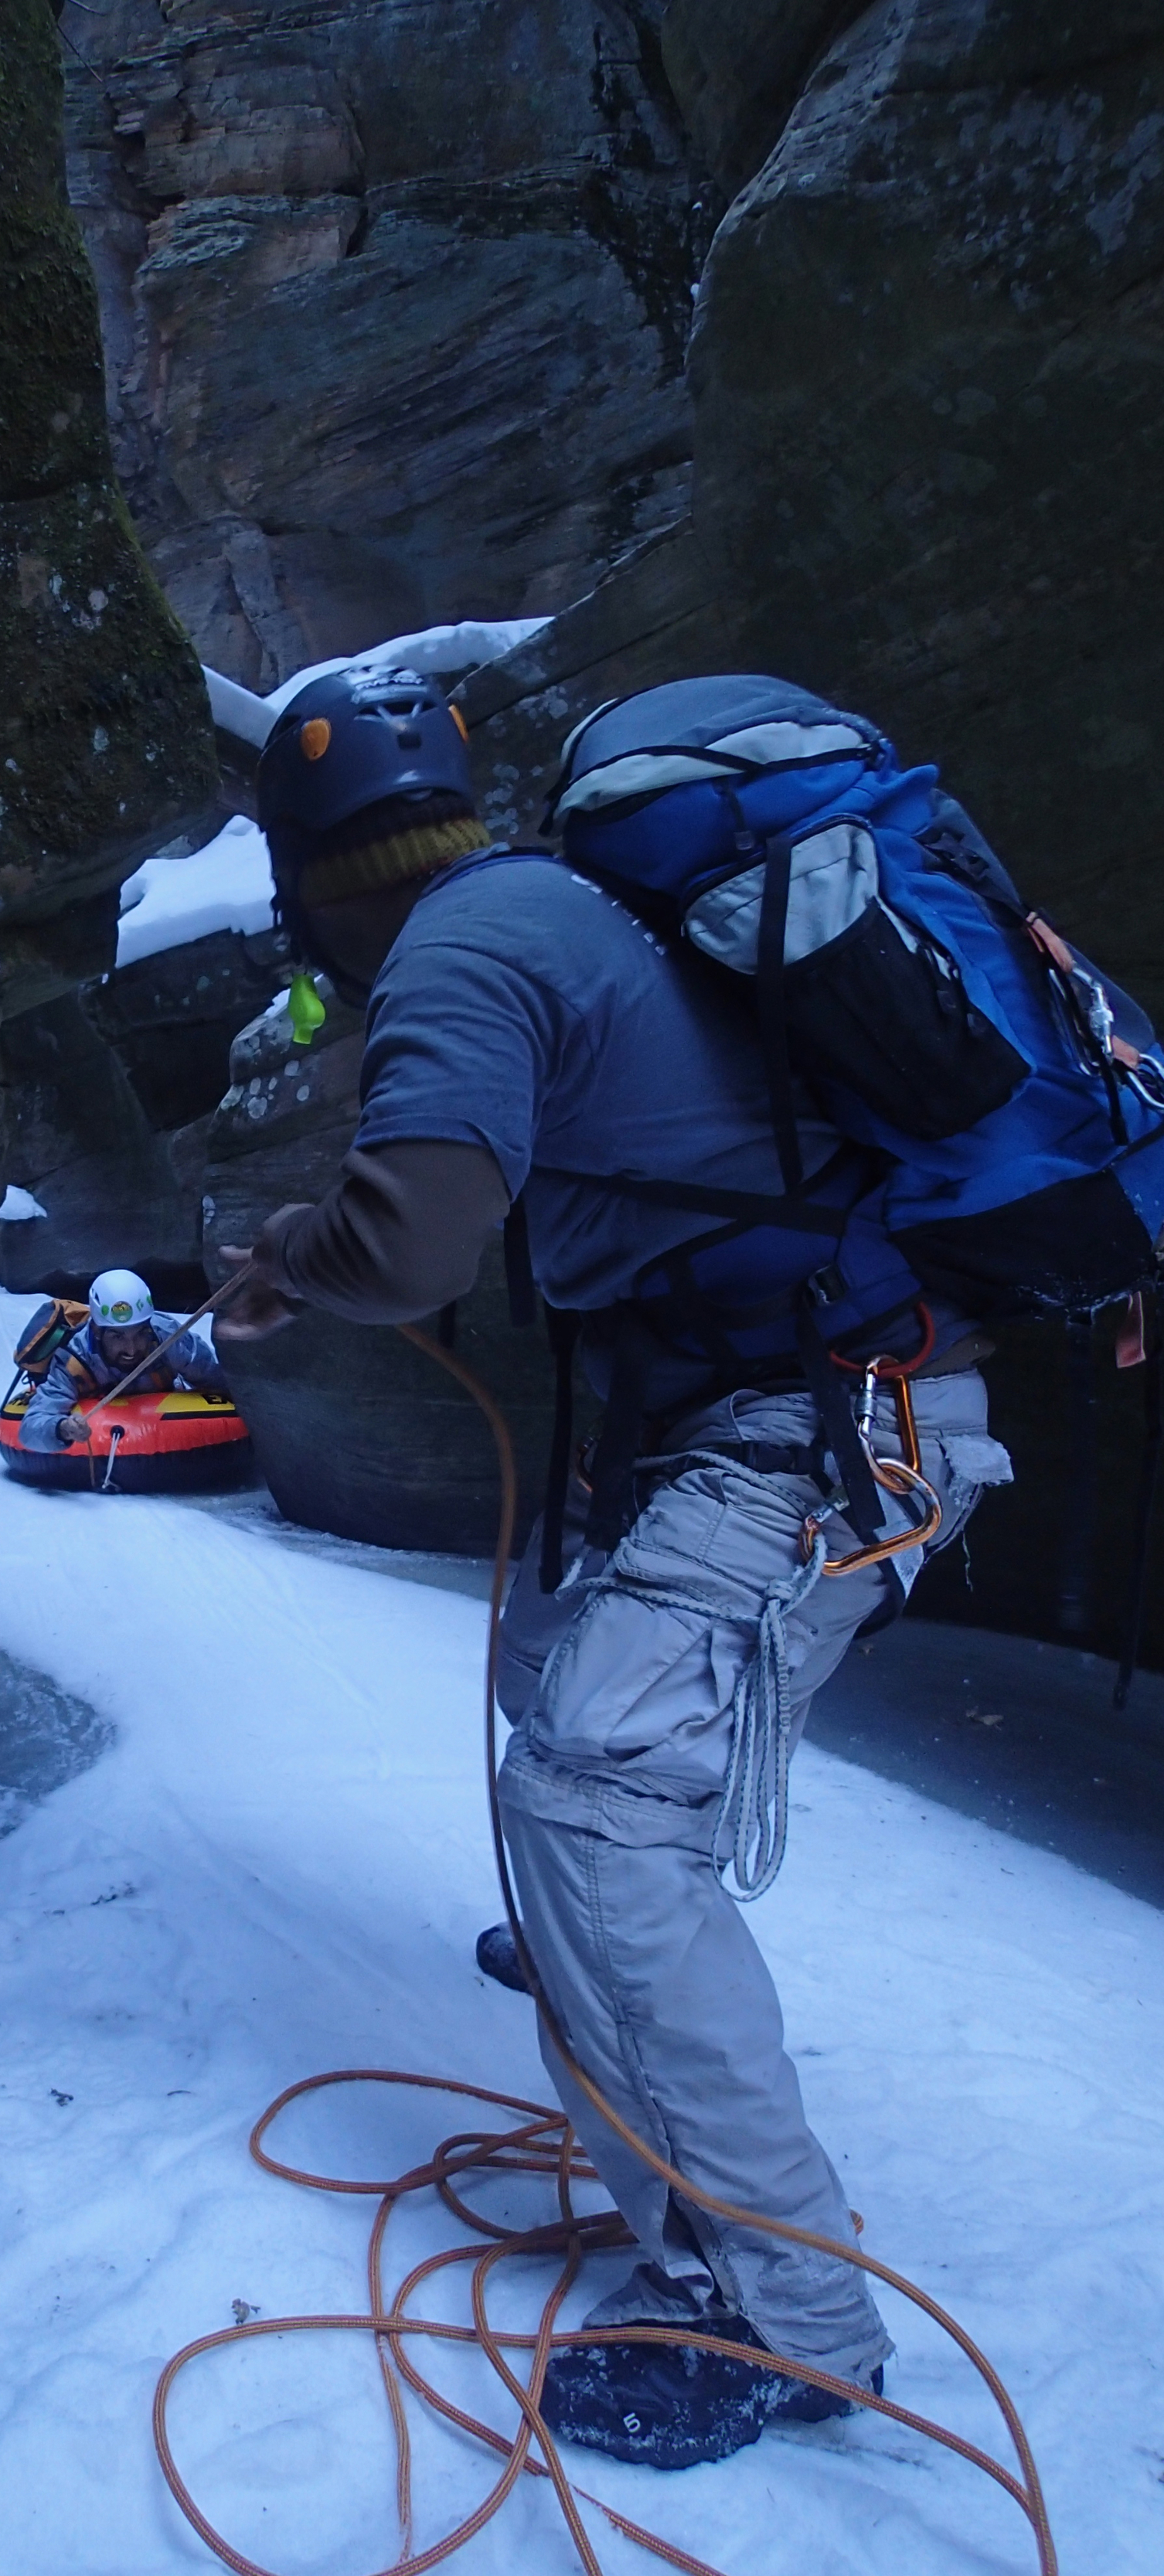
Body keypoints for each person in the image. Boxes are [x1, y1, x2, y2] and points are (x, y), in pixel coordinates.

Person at [216, 665, 1013, 2472]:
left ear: (314, 886)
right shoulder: (564, 913)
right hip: (815, 1414)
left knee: (590, 1796)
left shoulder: (465, 943)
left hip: (832, 1426)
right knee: (564, 1690)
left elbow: (412, 1240)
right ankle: (608, 1974)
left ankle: (787, 2319)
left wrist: (280, 1249)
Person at [18, 1267, 229, 1455]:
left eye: (140, 1333)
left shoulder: (169, 1338)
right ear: (97, 1331)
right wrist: (62, 1428)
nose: (132, 1349)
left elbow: (220, 1381)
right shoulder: (74, 1361)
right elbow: (31, 1429)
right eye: (118, 1336)